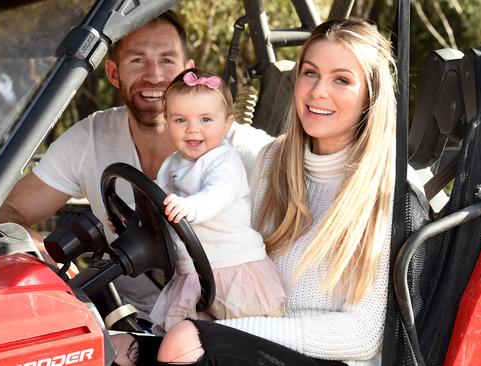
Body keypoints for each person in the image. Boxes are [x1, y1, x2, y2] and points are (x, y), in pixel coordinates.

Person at [112, 18, 396, 366]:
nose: (318, 91)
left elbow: (362, 337)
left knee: (184, 342)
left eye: (341, 79)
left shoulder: (386, 192)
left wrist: (235, 331)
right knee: (115, 347)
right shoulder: (272, 162)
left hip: (327, 357)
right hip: (254, 335)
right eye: (310, 73)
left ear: (371, 94)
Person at [0, 11, 272, 325]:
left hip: (225, 322)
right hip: (122, 320)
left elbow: (307, 174)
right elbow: (7, 210)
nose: (154, 75)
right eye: (138, 60)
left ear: (187, 71)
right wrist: (46, 265)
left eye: (167, 60)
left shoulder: (233, 146)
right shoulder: (91, 138)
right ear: (113, 72)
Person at [149, 68, 286, 333]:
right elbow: (153, 197)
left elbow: (218, 194)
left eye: (205, 119)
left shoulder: (224, 160)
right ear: (167, 122)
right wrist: (130, 214)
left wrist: (190, 207)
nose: (192, 129)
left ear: (226, 125)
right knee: (184, 337)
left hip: (235, 268)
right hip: (194, 272)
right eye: (180, 120)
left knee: (244, 336)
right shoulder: (172, 164)